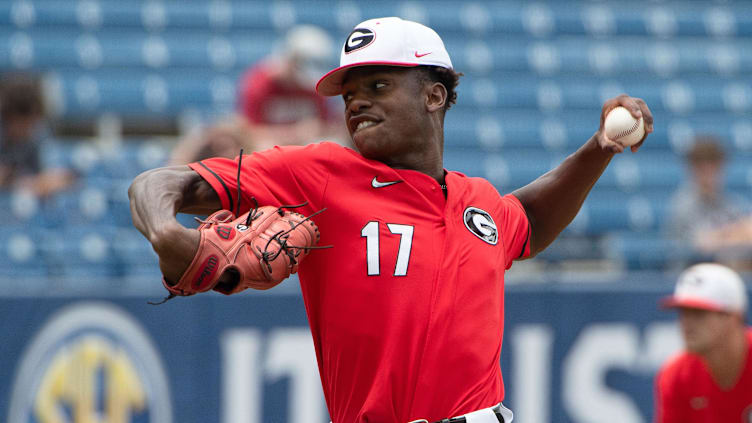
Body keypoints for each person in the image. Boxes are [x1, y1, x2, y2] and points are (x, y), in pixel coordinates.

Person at [129, 17, 653, 423]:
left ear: (434, 95)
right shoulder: (320, 174)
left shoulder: (478, 202)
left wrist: (600, 147)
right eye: (350, 93)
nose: (356, 102)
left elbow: (530, 221)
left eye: (377, 86)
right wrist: (167, 231)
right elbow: (157, 183)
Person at [169, 24, 346, 165]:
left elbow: (325, 124)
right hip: (268, 149)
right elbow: (248, 131)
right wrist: (294, 133)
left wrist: (315, 130)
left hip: (302, 148)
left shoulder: (312, 87)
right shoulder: (260, 82)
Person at [654, 263, 752, 423]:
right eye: (683, 313)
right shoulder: (676, 376)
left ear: (733, 317)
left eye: (699, 313)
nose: (687, 323)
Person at [664, 136, 748, 265]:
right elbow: (701, 246)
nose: (709, 172)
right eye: (701, 166)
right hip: (692, 274)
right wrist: (734, 234)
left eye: (714, 165)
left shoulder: (730, 203)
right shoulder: (682, 205)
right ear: (691, 168)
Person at [0, 74, 75, 196]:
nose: (28, 130)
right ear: (9, 118)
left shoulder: (37, 132)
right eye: (23, 124)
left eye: (31, 123)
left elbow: (50, 176)